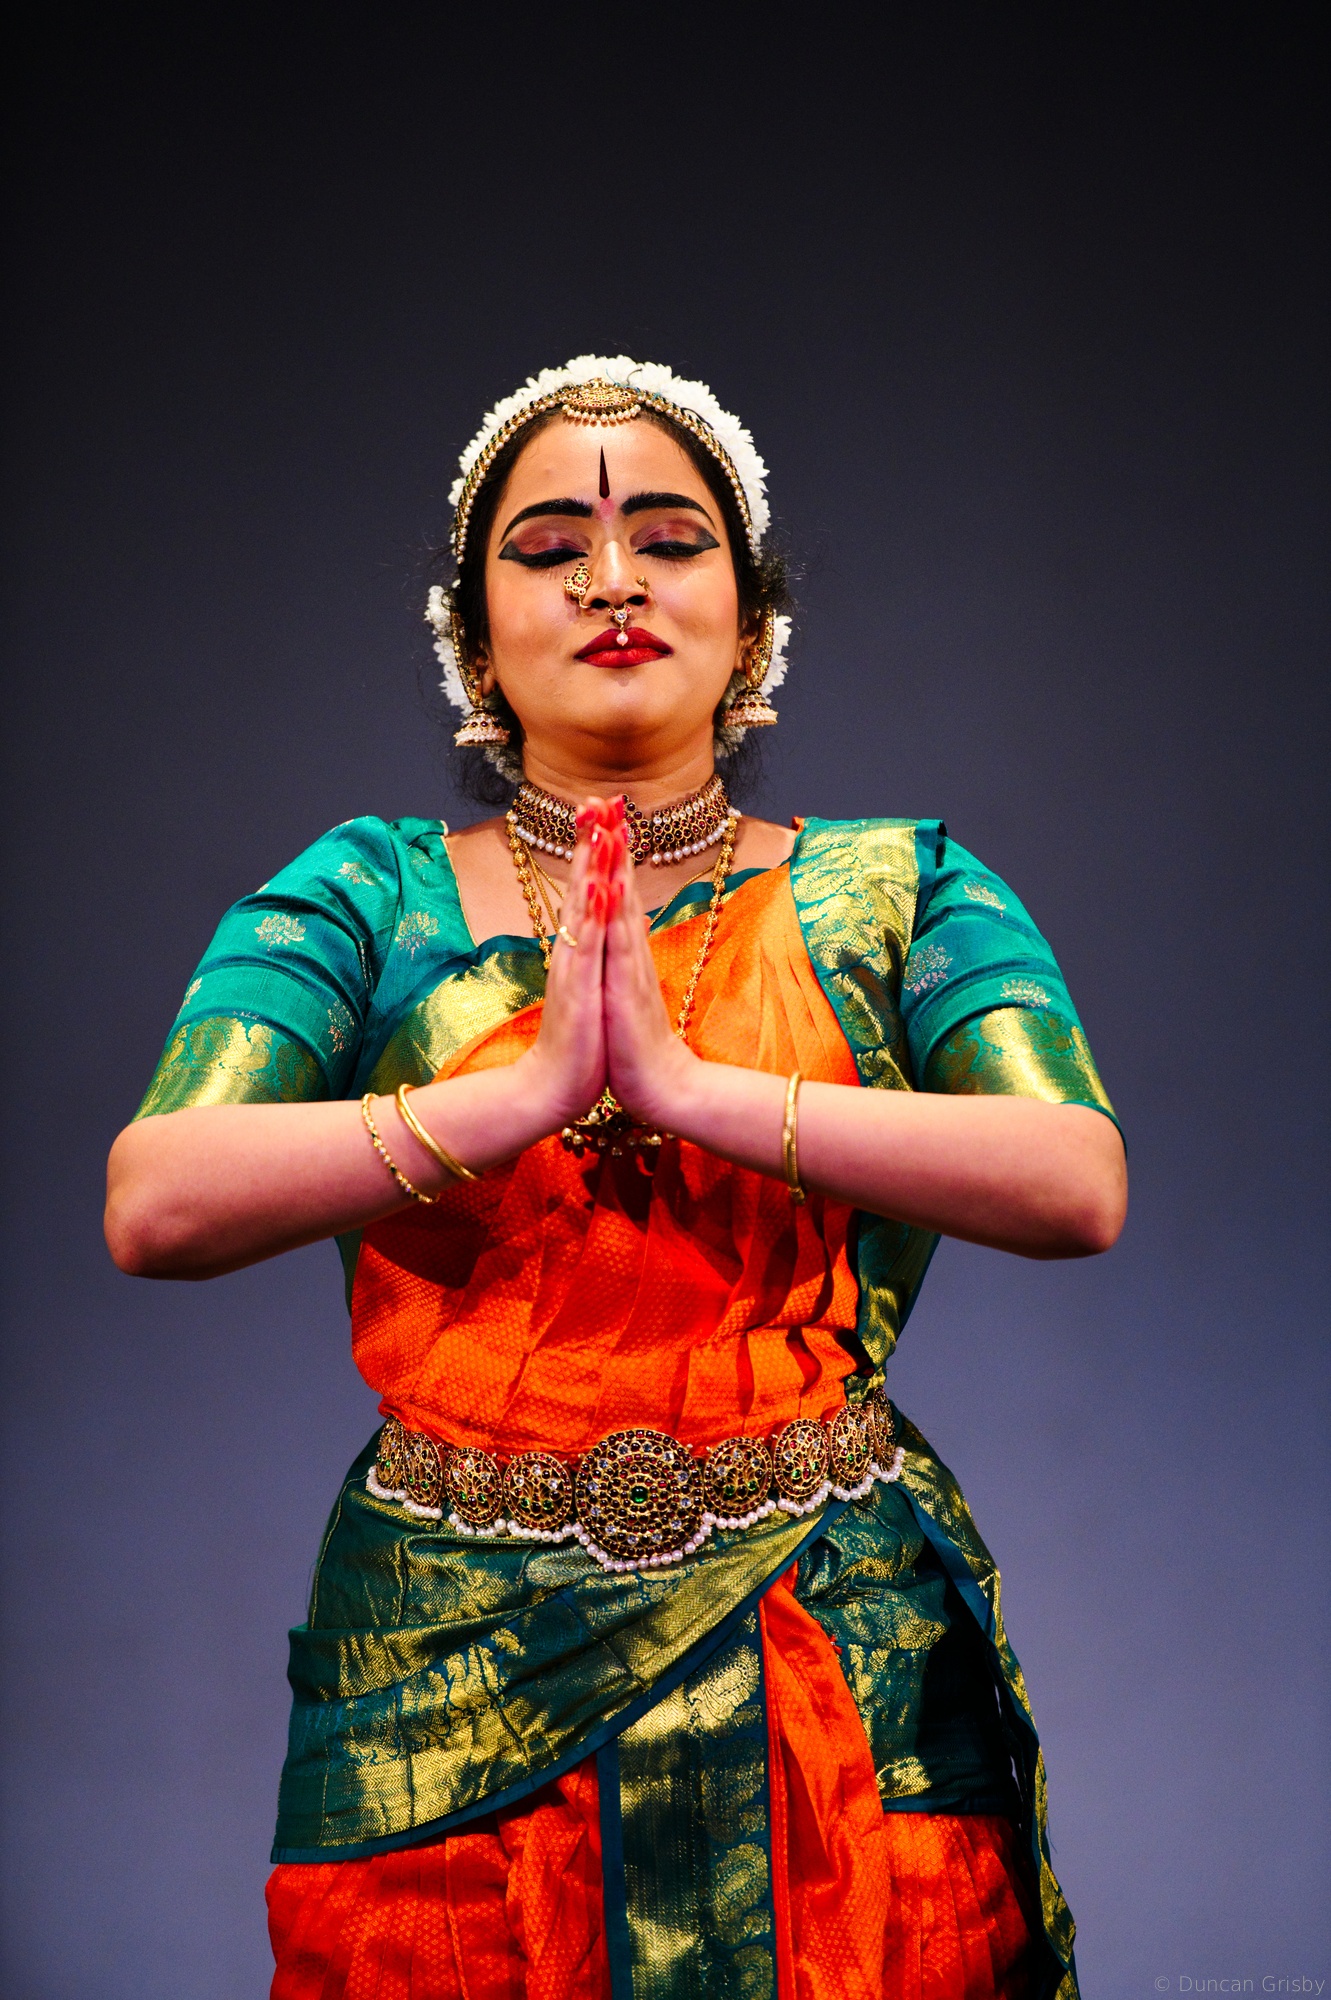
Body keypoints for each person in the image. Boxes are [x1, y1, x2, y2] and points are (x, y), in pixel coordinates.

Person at [105, 355, 1126, 2000]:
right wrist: (514, 1100)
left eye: (667, 538)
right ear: (474, 640)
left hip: (837, 1645)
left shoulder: (901, 889)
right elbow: (157, 1200)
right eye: (547, 549)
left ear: (754, 621)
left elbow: (1075, 1179)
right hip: (438, 1671)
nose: (610, 580)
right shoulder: (359, 899)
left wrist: (691, 1092)